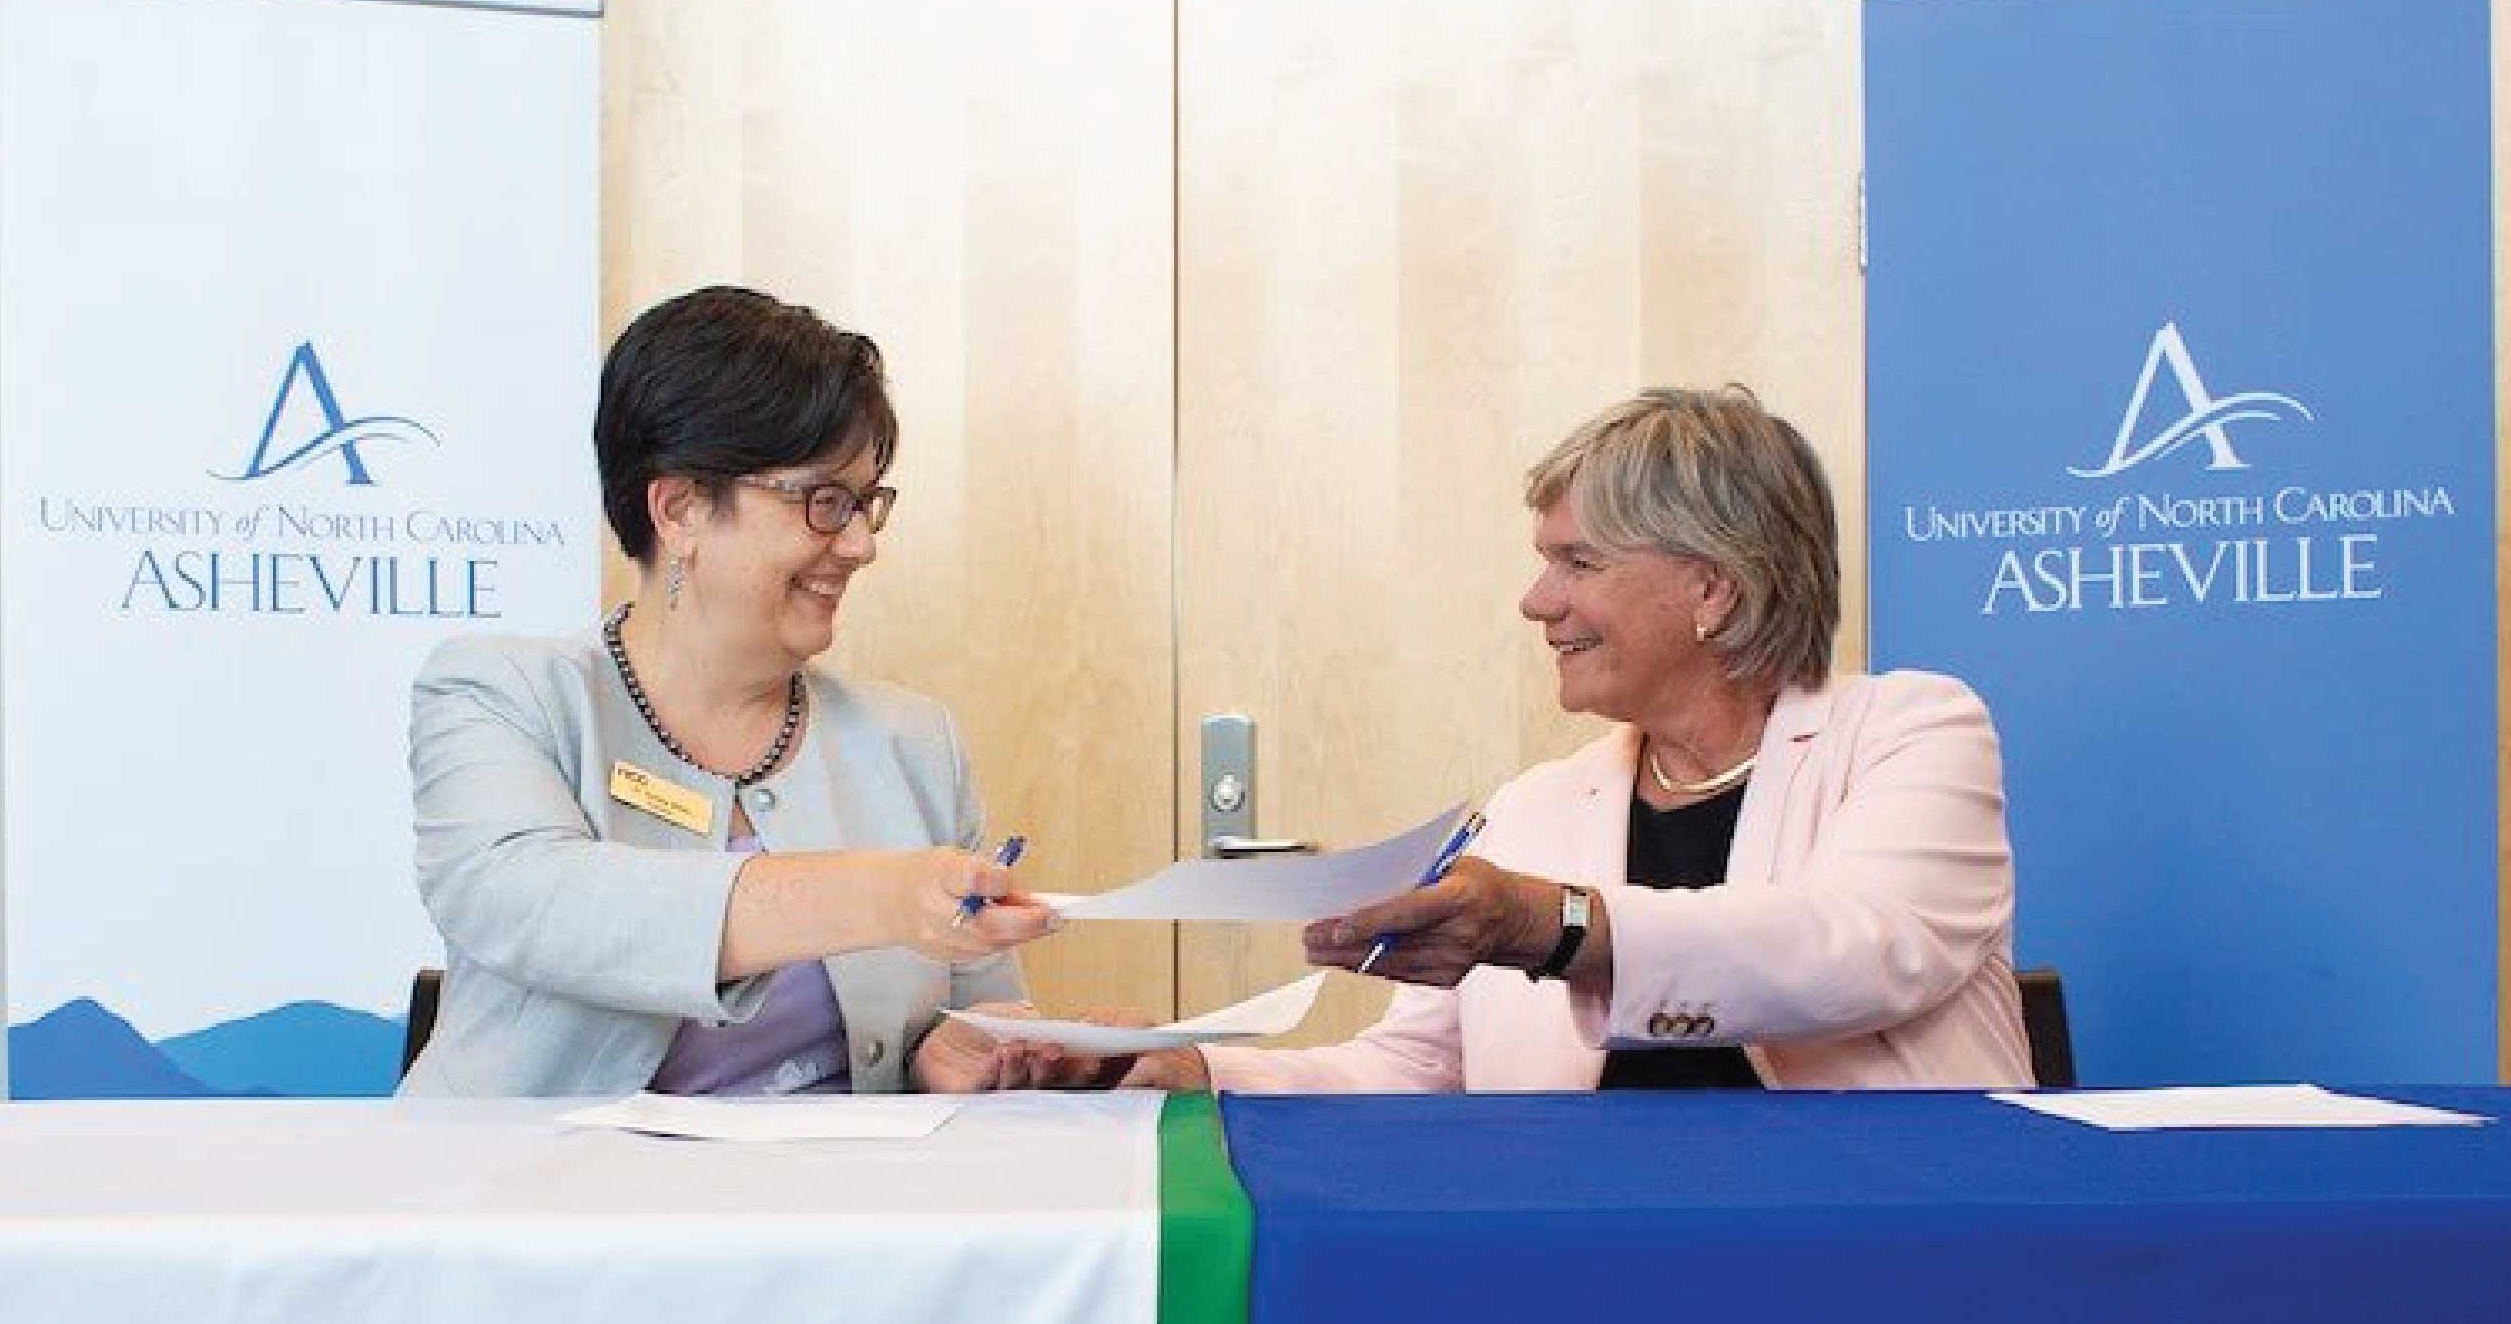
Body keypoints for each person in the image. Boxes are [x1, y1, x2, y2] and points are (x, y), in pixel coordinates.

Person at [1138, 386, 2031, 1096]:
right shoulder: (1534, 807)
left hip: (1873, 1236)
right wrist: (1193, 1069)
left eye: (1578, 562)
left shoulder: (1914, 730)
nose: (1536, 602)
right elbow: (1416, 1069)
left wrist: (1553, 927)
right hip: (1586, 1240)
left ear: (1713, 588)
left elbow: (1858, 951)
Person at [399, 286, 1069, 1099]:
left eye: (866, 503)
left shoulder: (914, 742)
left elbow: (974, 1008)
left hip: (846, 1181)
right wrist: (886, 895)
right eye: (825, 502)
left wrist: (956, 1053)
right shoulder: (500, 693)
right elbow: (535, 901)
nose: (860, 545)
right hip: (545, 1177)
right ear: (679, 509)